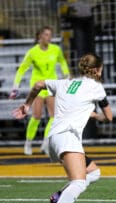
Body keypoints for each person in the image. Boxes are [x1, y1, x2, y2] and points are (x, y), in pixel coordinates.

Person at [12, 53, 113, 203]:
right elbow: (109, 117)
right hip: (67, 136)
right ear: (97, 70)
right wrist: (98, 116)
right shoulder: (97, 87)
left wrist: (27, 105)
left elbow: (38, 84)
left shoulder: (65, 82)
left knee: (94, 173)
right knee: (79, 182)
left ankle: (60, 196)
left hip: (53, 138)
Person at [9, 26, 70, 155]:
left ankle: (46, 143)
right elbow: (21, 69)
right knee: (36, 116)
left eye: (50, 35)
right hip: (37, 86)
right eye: (46, 35)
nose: (49, 37)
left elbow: (62, 62)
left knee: (54, 117)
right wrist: (15, 86)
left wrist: (67, 75)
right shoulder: (33, 52)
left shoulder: (56, 49)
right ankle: (28, 142)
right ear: (40, 36)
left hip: (51, 85)